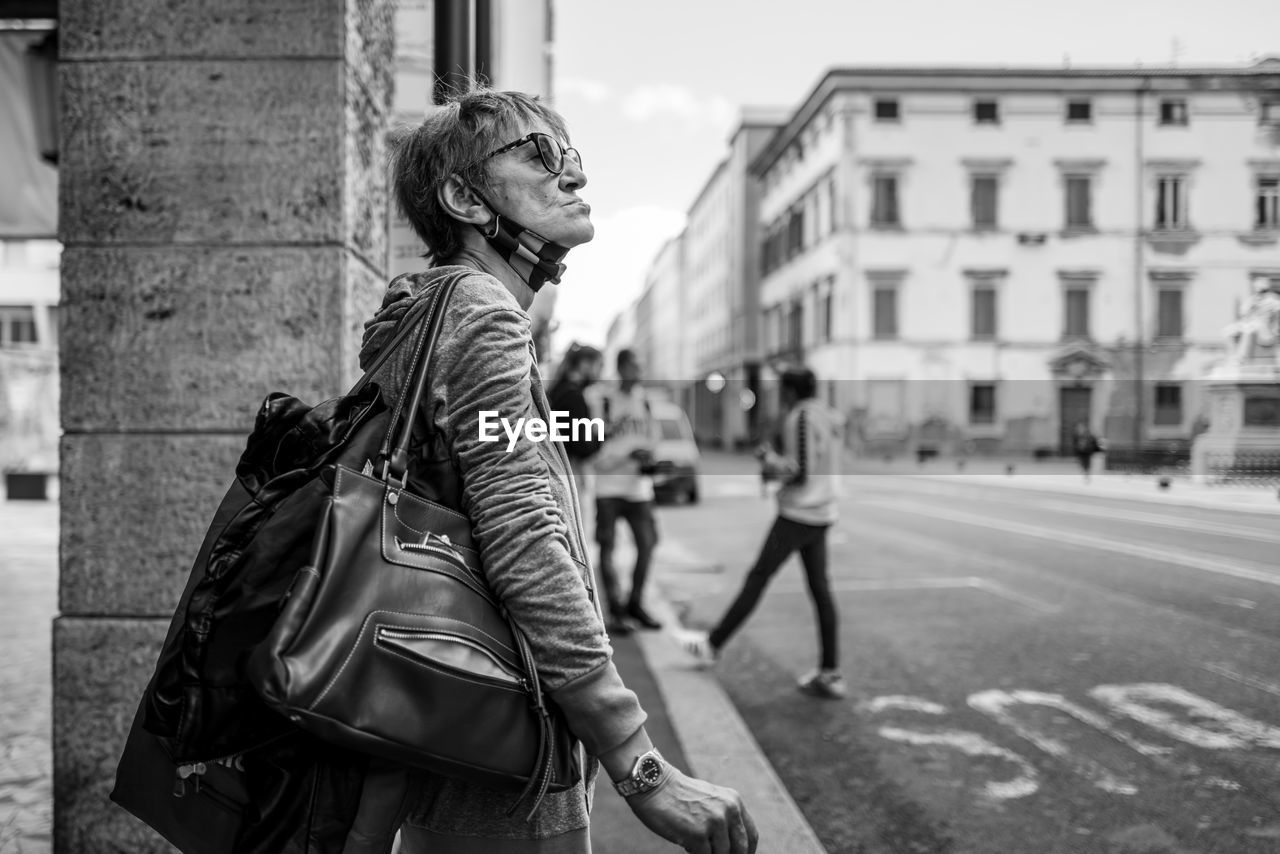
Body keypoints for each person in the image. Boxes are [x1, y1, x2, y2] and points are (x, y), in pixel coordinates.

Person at [353, 88, 756, 853]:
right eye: (539, 155)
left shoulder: (426, 312)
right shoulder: (481, 314)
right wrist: (640, 762)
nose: (571, 175)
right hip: (499, 748)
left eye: (571, 156)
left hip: (443, 731)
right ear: (463, 198)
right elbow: (523, 536)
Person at [681, 367, 847, 700]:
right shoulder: (828, 416)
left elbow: (798, 471)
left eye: (782, 389)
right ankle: (830, 672)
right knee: (820, 589)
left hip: (799, 513)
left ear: (790, 390)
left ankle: (713, 645)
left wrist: (769, 461)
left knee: (758, 578)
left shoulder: (800, 417)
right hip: (823, 512)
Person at [547, 344, 631, 636]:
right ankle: (579, 619)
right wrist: (602, 436)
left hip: (560, 472)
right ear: (583, 364)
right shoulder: (572, 395)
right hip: (570, 475)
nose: (600, 372)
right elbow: (581, 445)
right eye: (597, 365)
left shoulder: (559, 391)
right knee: (575, 547)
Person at [591, 349, 665, 631]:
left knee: (648, 544)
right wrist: (627, 454)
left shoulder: (645, 401)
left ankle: (635, 603)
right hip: (608, 487)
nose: (640, 372)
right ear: (621, 368)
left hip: (639, 489)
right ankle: (616, 609)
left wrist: (648, 456)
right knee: (607, 547)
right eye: (635, 367)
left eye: (641, 366)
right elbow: (594, 451)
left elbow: (653, 439)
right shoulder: (603, 401)